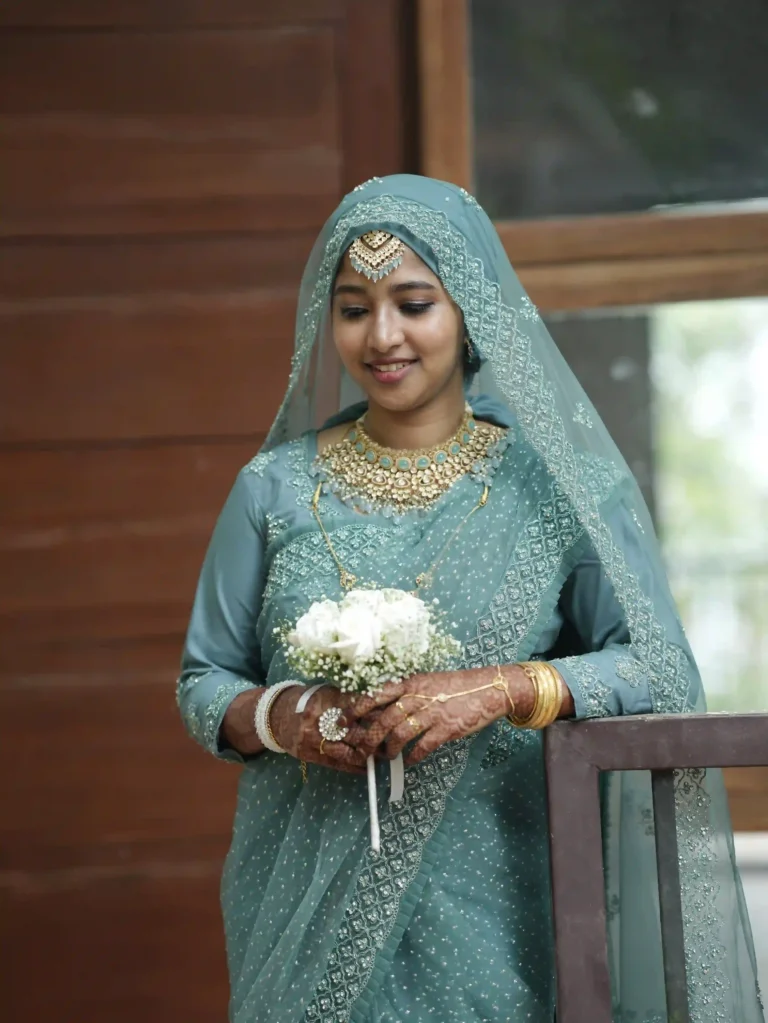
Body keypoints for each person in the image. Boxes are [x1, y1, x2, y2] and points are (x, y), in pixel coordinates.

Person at [177, 175, 763, 1023]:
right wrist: (289, 717)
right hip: (303, 907)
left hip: (506, 904)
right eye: (353, 308)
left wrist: (504, 688)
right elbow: (204, 680)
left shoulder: (559, 488)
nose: (382, 335)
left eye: (414, 302)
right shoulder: (273, 489)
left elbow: (657, 665)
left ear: (469, 309)